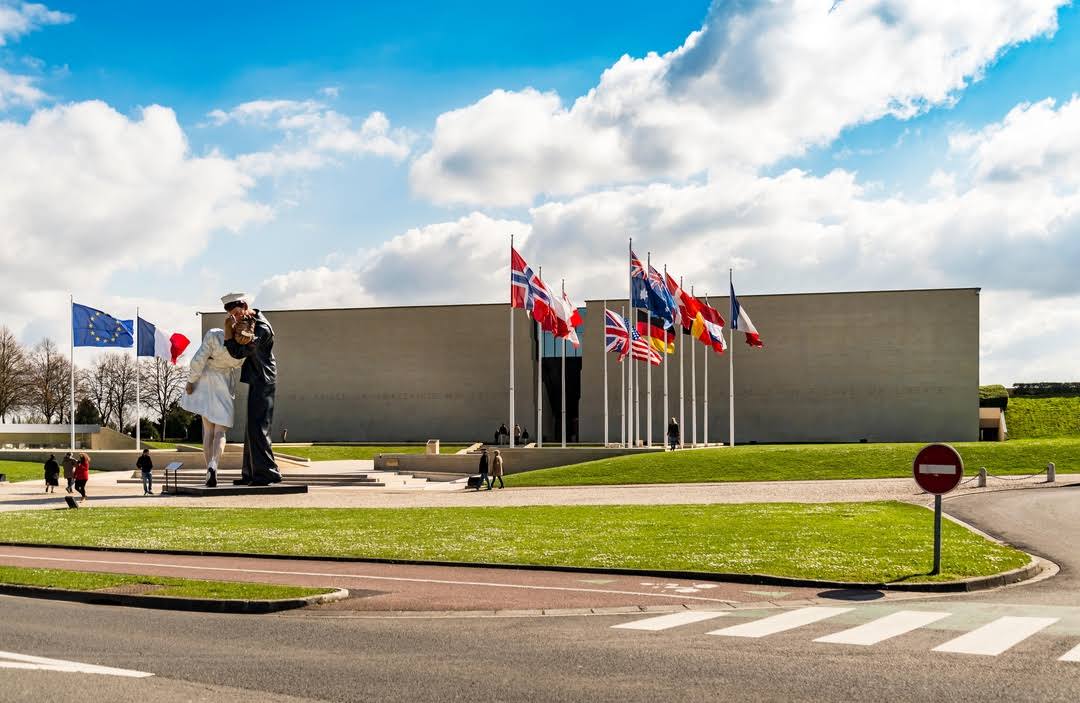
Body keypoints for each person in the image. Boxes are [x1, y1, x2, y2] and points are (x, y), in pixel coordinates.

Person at [222, 293, 281, 486]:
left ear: (245, 305)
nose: (236, 318)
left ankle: (268, 473)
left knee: (259, 428)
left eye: (237, 313)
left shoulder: (261, 327)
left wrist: (228, 332)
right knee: (251, 429)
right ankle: (251, 473)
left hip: (264, 379)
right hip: (258, 379)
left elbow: (239, 352)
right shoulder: (252, 321)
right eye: (233, 316)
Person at [181, 324, 246, 488]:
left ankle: (208, 469)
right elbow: (238, 364)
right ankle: (214, 464)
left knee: (208, 431)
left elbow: (198, 360)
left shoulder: (214, 335)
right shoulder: (242, 346)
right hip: (223, 384)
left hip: (206, 381)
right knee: (220, 432)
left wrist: (191, 381)